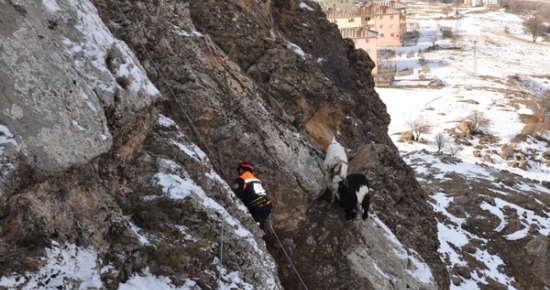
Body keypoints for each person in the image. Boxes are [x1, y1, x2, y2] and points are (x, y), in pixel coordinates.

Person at [232, 160, 272, 232]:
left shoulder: (240, 179)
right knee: (260, 226)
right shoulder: (257, 180)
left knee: (257, 230)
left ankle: (260, 242)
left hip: (257, 208)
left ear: (241, 169)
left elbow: (237, 198)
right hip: (266, 205)